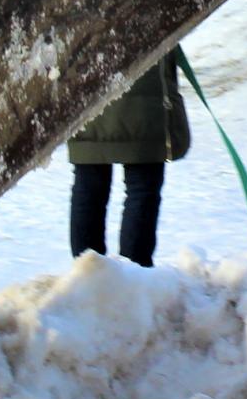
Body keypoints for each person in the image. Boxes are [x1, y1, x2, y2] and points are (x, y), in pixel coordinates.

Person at [68, 47, 189, 267]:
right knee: (143, 187)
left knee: (89, 183)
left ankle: (86, 277)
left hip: (86, 79)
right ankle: (135, 276)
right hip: (145, 85)